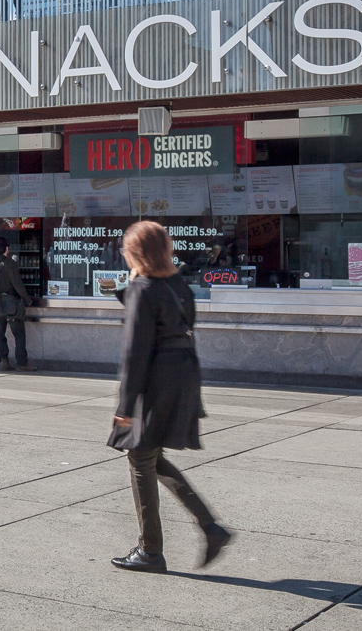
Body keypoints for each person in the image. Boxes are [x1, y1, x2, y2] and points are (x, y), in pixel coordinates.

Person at [109, 220, 232, 574]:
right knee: (151, 456)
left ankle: (151, 550)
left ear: (136, 252)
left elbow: (134, 352)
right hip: (183, 374)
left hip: (157, 378)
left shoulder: (144, 288)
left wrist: (124, 408)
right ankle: (210, 527)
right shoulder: (178, 285)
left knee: (139, 458)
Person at [0, 236, 32, 372]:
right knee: (19, 334)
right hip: (11, 304)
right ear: (6, 248)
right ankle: (22, 363)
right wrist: (28, 300)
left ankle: (4, 360)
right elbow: (18, 284)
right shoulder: (10, 264)